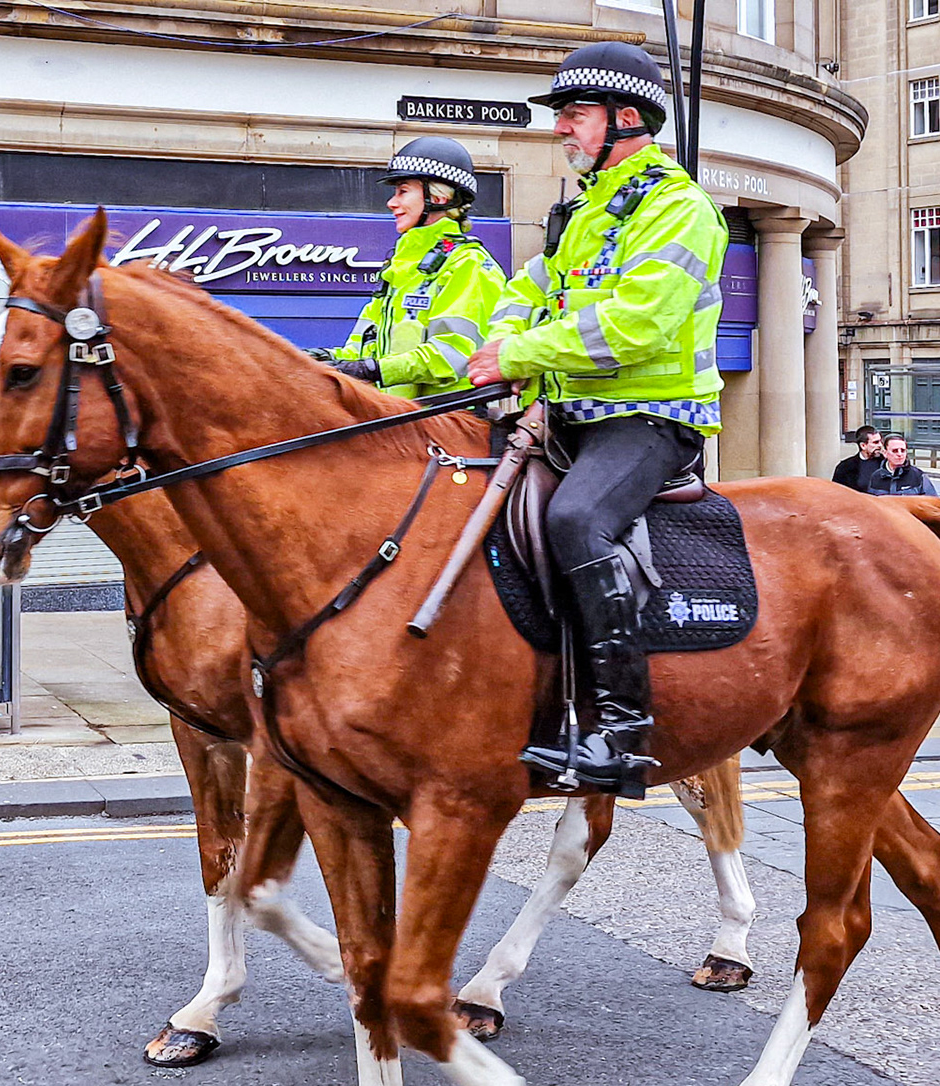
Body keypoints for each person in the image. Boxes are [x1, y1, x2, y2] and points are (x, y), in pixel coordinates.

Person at [466, 42, 728, 798]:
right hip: (570, 414)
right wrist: (494, 349)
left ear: (626, 117)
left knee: (577, 521)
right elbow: (531, 288)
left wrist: (521, 350)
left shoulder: (680, 207)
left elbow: (634, 326)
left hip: (648, 418)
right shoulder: (579, 210)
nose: (563, 130)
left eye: (574, 115)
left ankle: (622, 733)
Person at [307, 137, 507, 400]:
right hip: (398, 421)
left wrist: (373, 370)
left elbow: (452, 356)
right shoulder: (402, 266)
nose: (391, 202)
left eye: (402, 191)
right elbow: (362, 350)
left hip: (450, 424)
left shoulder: (469, 264)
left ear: (438, 196)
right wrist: (318, 359)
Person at [867, 434, 939, 496]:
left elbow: (933, 504)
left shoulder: (918, 476)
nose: (900, 454)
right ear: (885, 453)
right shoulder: (876, 477)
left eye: (902, 450)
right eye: (895, 451)